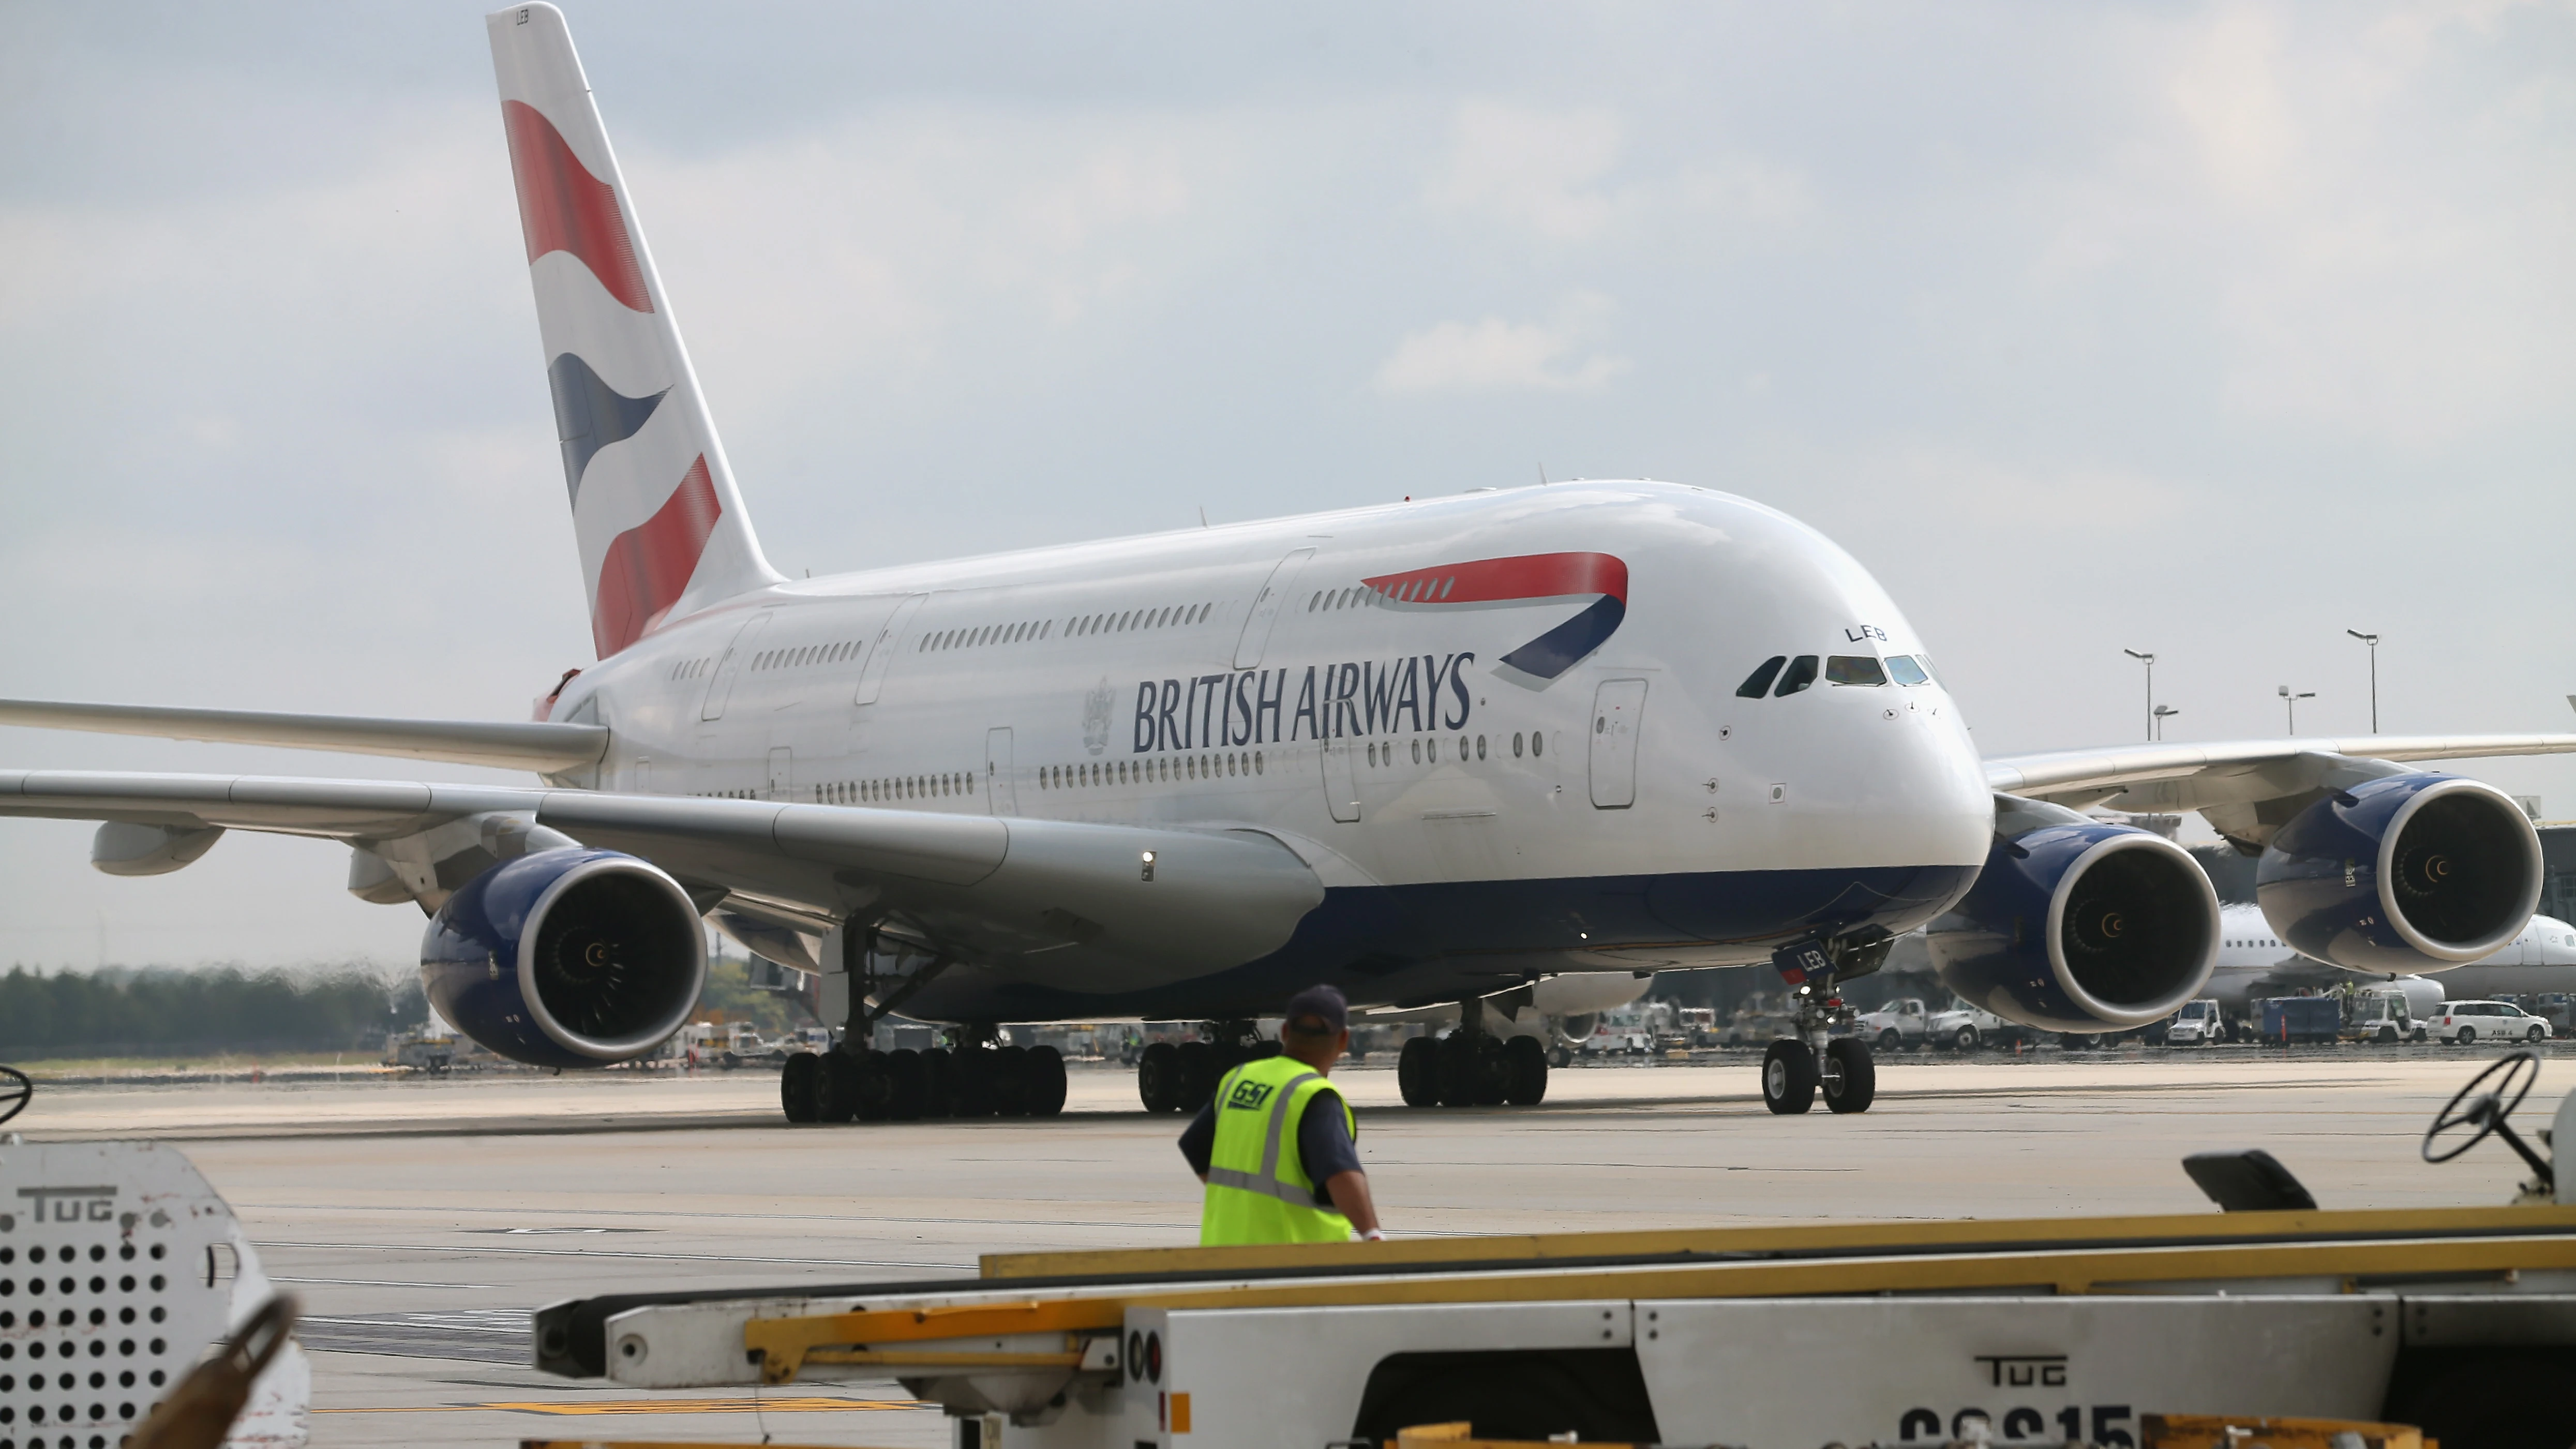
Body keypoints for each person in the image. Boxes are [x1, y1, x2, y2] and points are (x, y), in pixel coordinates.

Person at [1178, 984, 1383, 1245]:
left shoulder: (1239, 1078)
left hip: (1223, 1253)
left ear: (1285, 1032)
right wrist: (1372, 1234)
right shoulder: (1314, 1095)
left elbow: (1194, 1145)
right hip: (1290, 1261)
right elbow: (1340, 1173)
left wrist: (1241, 1203)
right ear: (1343, 1040)